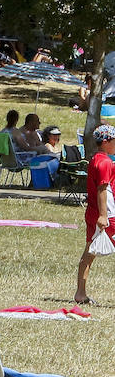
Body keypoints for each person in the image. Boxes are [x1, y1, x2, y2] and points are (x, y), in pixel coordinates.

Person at [75, 124, 115, 304]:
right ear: (106, 142)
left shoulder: (97, 159)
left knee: (89, 253)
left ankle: (80, 293)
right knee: (89, 253)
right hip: (108, 214)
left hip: (93, 212)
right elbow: (102, 189)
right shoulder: (105, 162)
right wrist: (103, 215)